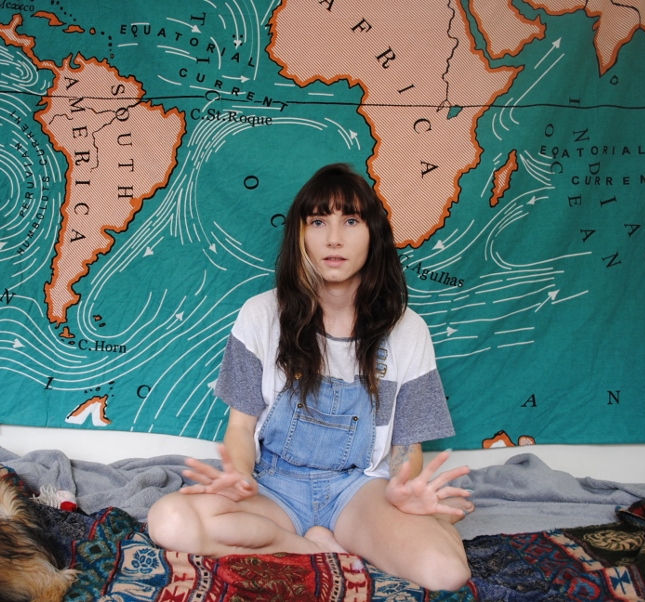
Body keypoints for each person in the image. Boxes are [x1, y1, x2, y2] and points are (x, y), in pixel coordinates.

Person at [147, 163, 473, 591]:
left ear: (373, 234)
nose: (333, 238)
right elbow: (240, 427)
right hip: (274, 489)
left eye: (351, 221)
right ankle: (311, 547)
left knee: (448, 573)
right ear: (299, 235)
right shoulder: (260, 315)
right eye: (318, 222)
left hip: (358, 492)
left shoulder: (408, 330)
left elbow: (406, 446)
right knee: (169, 520)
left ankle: (331, 540)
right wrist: (240, 475)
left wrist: (403, 486)